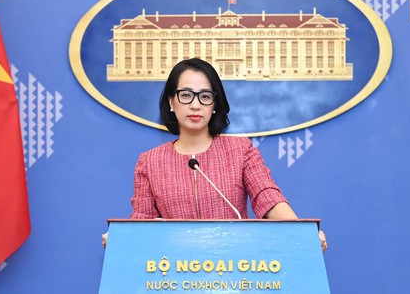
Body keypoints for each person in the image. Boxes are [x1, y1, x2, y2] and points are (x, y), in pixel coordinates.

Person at [106, 58, 326, 251]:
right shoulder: (149, 162)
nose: (195, 105)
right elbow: (142, 222)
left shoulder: (241, 150)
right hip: (173, 271)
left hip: (236, 268)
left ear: (214, 104)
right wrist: (122, 239)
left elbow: (267, 198)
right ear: (171, 102)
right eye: (186, 95)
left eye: (205, 96)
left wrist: (302, 234)